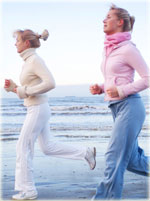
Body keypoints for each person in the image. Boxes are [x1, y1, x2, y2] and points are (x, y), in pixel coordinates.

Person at [4, 29, 96, 200]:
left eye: (17, 40)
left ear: (27, 43)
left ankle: (28, 190)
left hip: (38, 108)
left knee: (22, 146)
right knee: (47, 147)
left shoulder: (35, 60)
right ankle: (86, 152)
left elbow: (50, 83)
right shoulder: (28, 61)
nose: (14, 43)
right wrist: (16, 88)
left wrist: (23, 90)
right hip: (37, 107)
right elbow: (31, 88)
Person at [90, 4, 150, 200]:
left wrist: (121, 90)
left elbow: (147, 78)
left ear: (120, 22)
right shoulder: (109, 49)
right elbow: (117, 77)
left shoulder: (128, 49)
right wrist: (101, 87)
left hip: (130, 106)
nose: (103, 20)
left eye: (108, 16)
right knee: (133, 161)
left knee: (113, 159)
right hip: (116, 107)